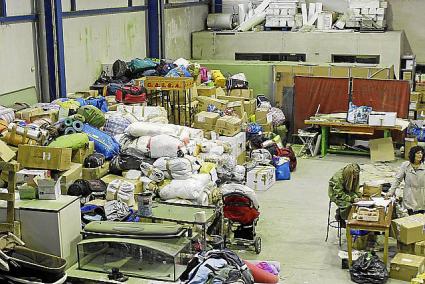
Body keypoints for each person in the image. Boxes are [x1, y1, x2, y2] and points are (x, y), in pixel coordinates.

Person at [386, 146, 425, 215]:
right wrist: (391, 191)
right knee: (412, 217)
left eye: (421, 153)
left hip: (422, 196)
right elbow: (398, 179)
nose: (420, 155)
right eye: (418, 153)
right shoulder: (405, 165)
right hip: (409, 195)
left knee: (420, 218)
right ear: (413, 154)